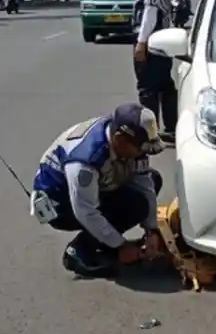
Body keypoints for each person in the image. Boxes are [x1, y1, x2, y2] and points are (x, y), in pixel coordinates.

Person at [30, 102, 166, 277]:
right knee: (135, 204)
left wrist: (151, 229)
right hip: (60, 203)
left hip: (96, 185)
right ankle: (78, 251)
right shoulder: (85, 161)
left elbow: (144, 182)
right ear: (120, 139)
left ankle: (104, 241)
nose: (143, 153)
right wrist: (121, 245)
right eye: (141, 148)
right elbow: (86, 211)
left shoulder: (125, 137)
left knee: (153, 182)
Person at [105, 0, 177, 142]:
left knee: (147, 89)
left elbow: (150, 10)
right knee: (165, 85)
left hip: (151, 40)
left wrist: (141, 42)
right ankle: (171, 128)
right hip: (162, 40)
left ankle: (149, 134)